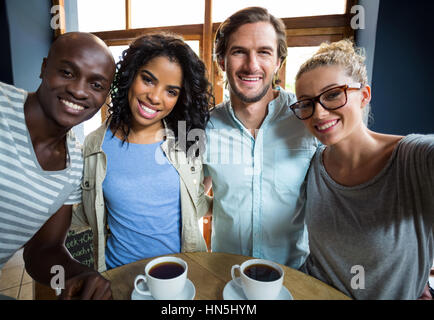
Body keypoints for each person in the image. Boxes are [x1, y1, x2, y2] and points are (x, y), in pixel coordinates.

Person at [289, 39, 433, 299]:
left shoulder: (413, 158)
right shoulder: (312, 163)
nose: (319, 114)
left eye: (333, 94)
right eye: (306, 103)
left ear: (364, 95)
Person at [0, 32, 116, 299]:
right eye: (67, 73)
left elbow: (43, 250)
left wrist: (77, 274)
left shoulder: (75, 163)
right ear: (44, 68)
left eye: (96, 85)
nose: (79, 90)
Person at [71, 33, 213, 272]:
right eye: (148, 80)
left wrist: (230, 204)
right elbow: (83, 214)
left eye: (171, 91)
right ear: (130, 75)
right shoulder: (94, 147)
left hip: (183, 274)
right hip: (119, 275)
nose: (155, 97)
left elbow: (195, 199)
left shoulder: (188, 140)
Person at [203, 7, 318, 268]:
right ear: (222, 61)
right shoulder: (205, 126)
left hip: (295, 276)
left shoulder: (307, 119)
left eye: (264, 52)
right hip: (225, 272)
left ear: (278, 62)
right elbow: (191, 195)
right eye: (239, 51)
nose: (251, 65)